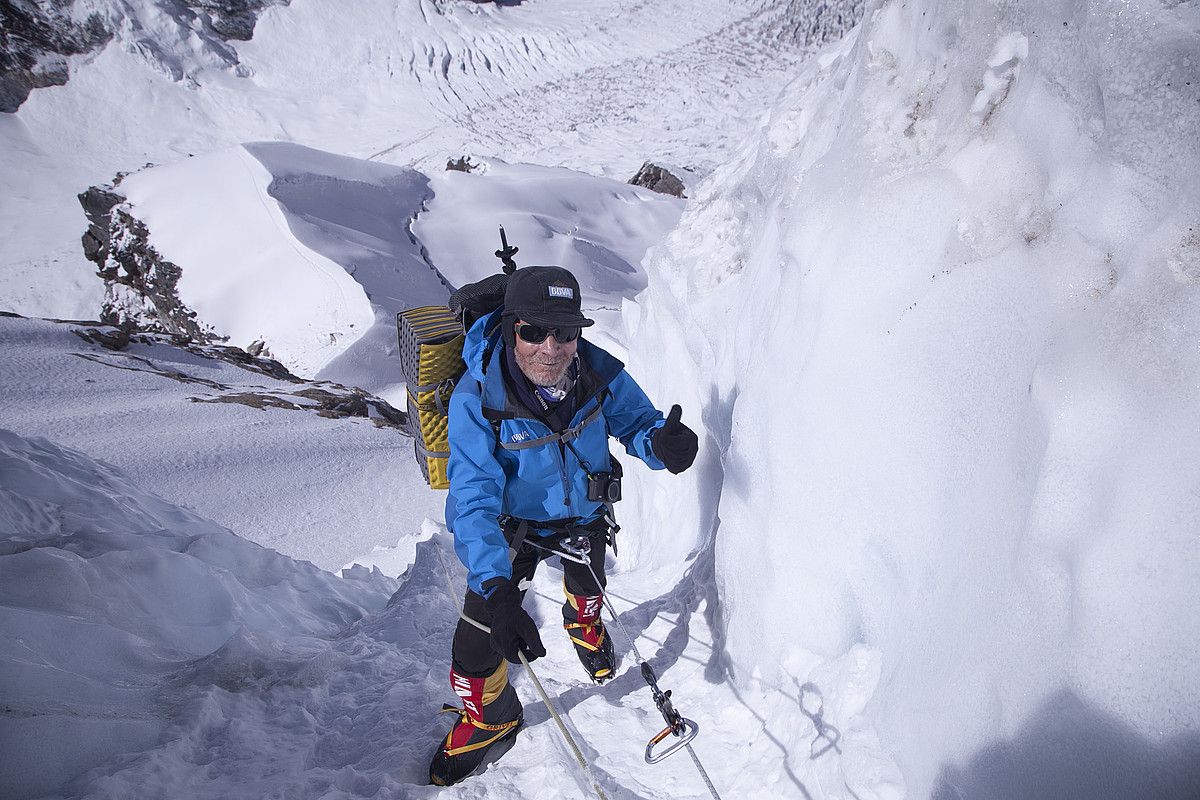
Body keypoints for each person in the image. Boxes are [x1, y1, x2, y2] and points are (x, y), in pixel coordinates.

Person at [429, 265, 699, 786]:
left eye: (565, 332)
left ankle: (585, 625)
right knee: (478, 639)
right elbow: (472, 500)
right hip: (512, 525)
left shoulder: (598, 371)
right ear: (510, 329)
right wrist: (497, 588)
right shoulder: (476, 397)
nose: (549, 347)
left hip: (582, 513)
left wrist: (661, 446)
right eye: (533, 331)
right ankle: (491, 716)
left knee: (587, 584)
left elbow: (638, 422)